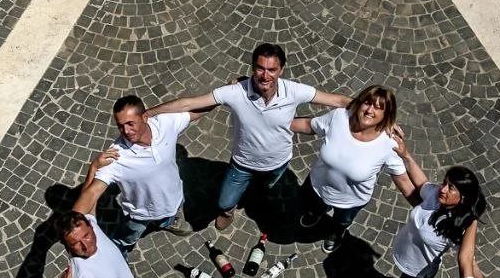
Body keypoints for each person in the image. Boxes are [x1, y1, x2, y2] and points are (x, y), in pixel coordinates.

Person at [147, 43, 350, 230]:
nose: (265, 75)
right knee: (224, 202)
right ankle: (228, 212)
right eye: (260, 68)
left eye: (272, 70)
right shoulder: (235, 92)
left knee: (265, 192)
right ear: (253, 67)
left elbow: (337, 100)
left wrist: (378, 114)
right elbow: (188, 104)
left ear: (281, 70)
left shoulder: (294, 91)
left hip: (276, 163)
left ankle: (257, 198)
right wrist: (149, 113)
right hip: (242, 163)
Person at [71, 94, 207, 255]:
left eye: (130, 123)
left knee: (170, 215)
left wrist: (227, 95)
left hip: (174, 198)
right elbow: (92, 193)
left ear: (144, 117)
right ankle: (120, 252)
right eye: (120, 126)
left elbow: (198, 110)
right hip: (141, 214)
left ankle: (168, 222)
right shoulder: (116, 156)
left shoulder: (164, 123)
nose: (126, 131)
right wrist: (73, 227)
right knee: (126, 238)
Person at [379, 130, 487, 278]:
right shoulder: (436, 196)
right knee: (427, 277)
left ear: (462, 198)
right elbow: (421, 181)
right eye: (445, 183)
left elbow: (468, 258)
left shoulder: (459, 227)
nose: (443, 189)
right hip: (411, 254)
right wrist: (406, 155)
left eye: (451, 188)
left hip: (417, 270)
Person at [290, 84, 410, 253]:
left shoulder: (389, 144)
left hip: (350, 200)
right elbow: (311, 125)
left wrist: (424, 206)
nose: (369, 110)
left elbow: (403, 179)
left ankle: (336, 233)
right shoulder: (339, 117)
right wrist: (278, 123)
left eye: (378, 108)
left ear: (386, 115)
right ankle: (316, 213)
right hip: (318, 185)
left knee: (341, 221)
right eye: (367, 103)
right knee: (313, 206)